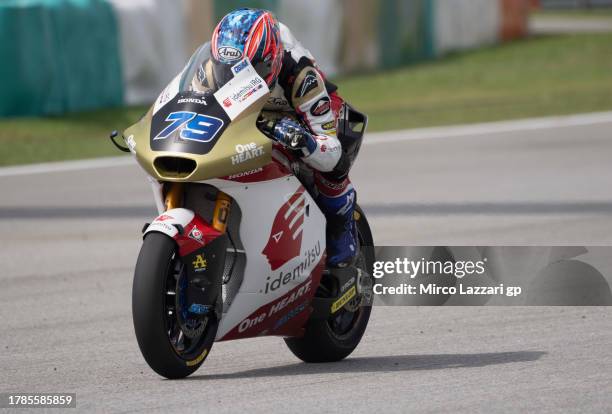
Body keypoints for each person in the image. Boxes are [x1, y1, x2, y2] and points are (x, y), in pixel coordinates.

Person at [194, 8, 359, 268]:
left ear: (273, 58)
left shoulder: (301, 76)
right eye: (228, 68)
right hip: (248, 111)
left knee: (330, 166)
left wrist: (305, 141)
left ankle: (342, 227)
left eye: (252, 69)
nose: (238, 77)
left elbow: (332, 153)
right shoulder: (209, 69)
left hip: (295, 111)